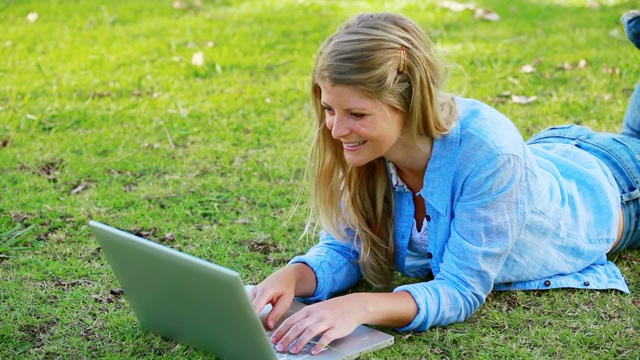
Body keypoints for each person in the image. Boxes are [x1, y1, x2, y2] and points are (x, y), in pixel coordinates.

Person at [249, 11, 640, 356]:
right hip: (555, 153)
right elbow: (348, 246)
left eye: (356, 113)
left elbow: (460, 290)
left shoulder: (489, 151)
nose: (336, 129)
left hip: (621, 188)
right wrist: (291, 277)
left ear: (408, 101)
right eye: (330, 109)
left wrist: (364, 306)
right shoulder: (366, 149)